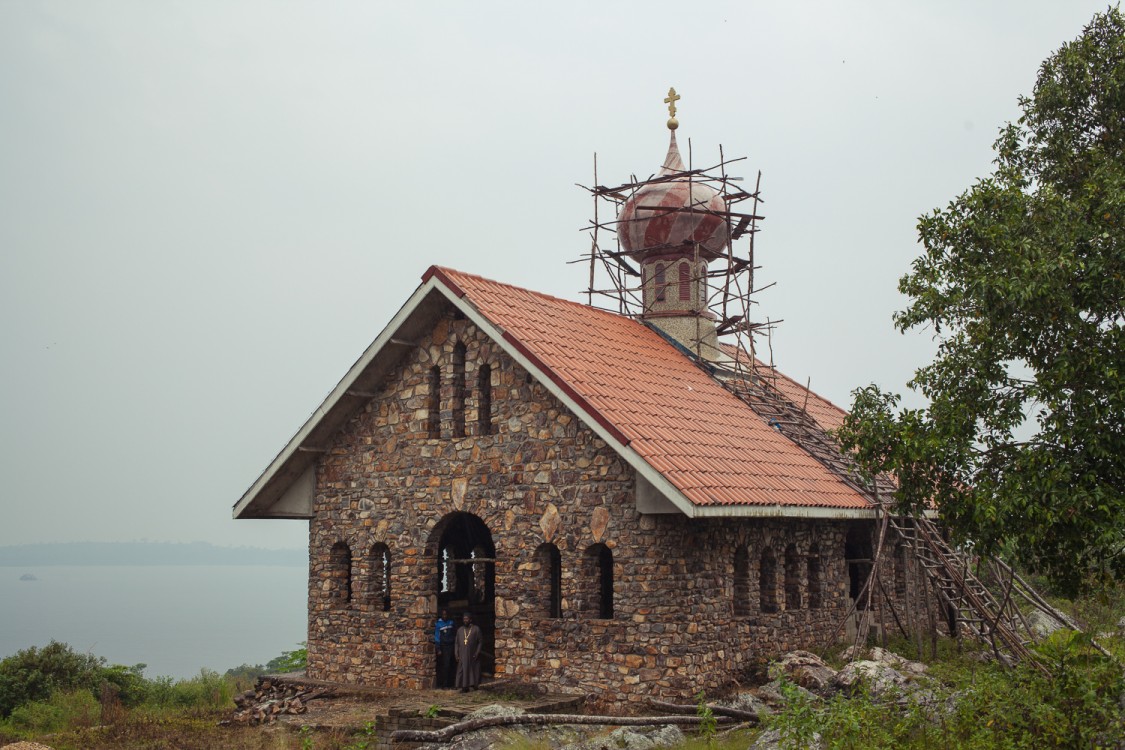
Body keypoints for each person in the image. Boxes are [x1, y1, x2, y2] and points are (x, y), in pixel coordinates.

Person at [453, 611, 482, 692]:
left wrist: (477, 652)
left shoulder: (476, 629)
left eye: (467, 619)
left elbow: (480, 642)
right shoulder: (460, 630)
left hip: (472, 654)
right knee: (462, 670)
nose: (465, 620)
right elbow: (456, 643)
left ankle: (472, 685)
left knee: (472, 670)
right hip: (462, 654)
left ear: (470, 620)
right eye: (464, 619)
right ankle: (463, 687)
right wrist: (456, 653)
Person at [433, 608, 455, 688]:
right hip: (444, 647)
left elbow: (454, 634)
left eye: (446, 614)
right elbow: (437, 637)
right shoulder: (439, 624)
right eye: (443, 614)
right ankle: (444, 684)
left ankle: (451, 683)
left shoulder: (451, 622)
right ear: (441, 615)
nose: (445, 616)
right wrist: (438, 649)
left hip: (451, 646)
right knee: (445, 665)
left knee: (452, 665)